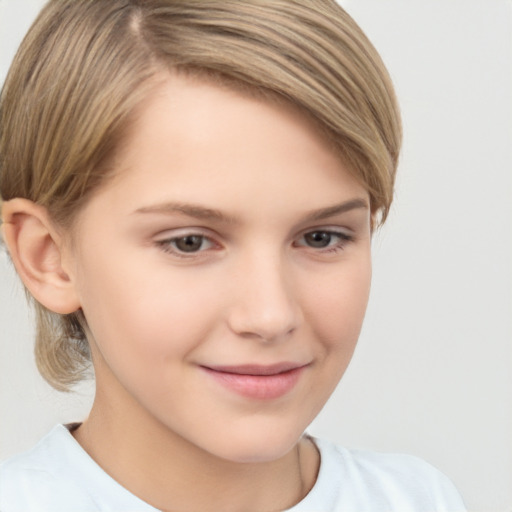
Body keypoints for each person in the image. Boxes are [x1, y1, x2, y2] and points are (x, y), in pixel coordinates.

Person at [0, 1, 466, 510]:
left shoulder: (418, 499)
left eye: (320, 237)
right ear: (48, 257)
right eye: (189, 242)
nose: (271, 316)